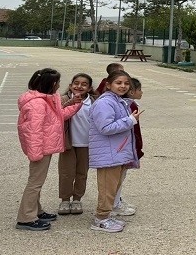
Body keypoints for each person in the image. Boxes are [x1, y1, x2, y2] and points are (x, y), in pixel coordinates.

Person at [15, 68, 82, 231]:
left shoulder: (45, 99)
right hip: (40, 150)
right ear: (51, 84)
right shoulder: (38, 103)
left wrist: (75, 106)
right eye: (57, 82)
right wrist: (35, 153)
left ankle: (36, 210)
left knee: (37, 181)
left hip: (45, 147)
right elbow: (34, 131)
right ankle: (26, 218)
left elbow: (58, 117)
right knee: (35, 183)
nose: (59, 85)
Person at [88, 70, 142, 233]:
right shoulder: (105, 103)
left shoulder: (118, 101)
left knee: (112, 188)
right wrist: (130, 120)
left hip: (116, 152)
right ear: (108, 84)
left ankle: (106, 215)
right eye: (118, 83)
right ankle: (101, 219)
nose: (123, 86)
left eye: (126, 83)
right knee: (107, 188)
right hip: (108, 154)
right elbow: (105, 128)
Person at [58, 73, 96, 215]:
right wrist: (71, 102)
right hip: (68, 143)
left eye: (84, 84)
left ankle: (77, 199)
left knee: (82, 173)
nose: (79, 86)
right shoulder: (63, 99)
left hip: (86, 144)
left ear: (90, 88)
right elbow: (57, 115)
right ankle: (65, 199)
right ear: (70, 85)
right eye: (76, 83)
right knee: (66, 173)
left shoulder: (93, 102)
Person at [111, 77, 144, 218]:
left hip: (126, 145)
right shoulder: (129, 106)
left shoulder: (128, 104)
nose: (142, 92)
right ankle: (114, 204)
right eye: (139, 89)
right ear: (131, 92)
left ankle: (116, 201)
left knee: (120, 176)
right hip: (124, 146)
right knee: (117, 177)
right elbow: (132, 129)